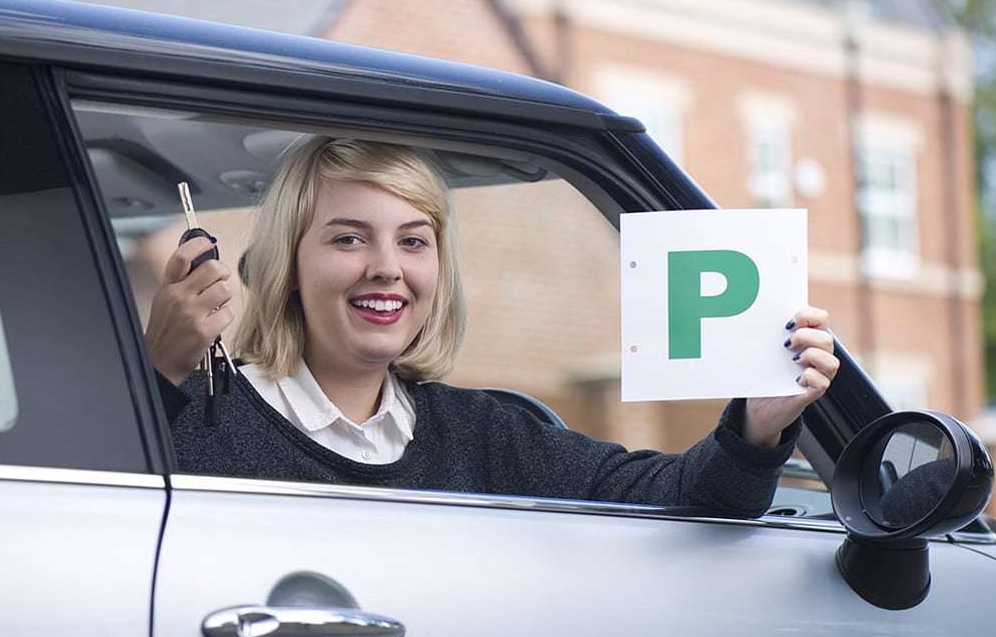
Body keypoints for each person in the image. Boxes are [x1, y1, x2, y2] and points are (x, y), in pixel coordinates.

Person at [146, 137, 839, 516]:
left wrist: (758, 426)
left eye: (414, 241)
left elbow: (690, 500)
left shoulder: (484, 435)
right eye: (349, 239)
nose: (388, 267)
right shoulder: (195, 418)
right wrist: (156, 376)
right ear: (288, 266)